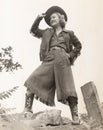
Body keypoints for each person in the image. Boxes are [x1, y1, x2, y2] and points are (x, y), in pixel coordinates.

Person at [23, 6, 82, 125]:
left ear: (61, 18)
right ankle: (27, 109)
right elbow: (34, 31)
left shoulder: (69, 33)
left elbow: (78, 46)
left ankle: (75, 116)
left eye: (53, 17)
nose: (51, 19)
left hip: (63, 59)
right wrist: (38, 19)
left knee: (68, 87)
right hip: (49, 58)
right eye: (50, 19)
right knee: (33, 79)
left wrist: (70, 55)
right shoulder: (47, 32)